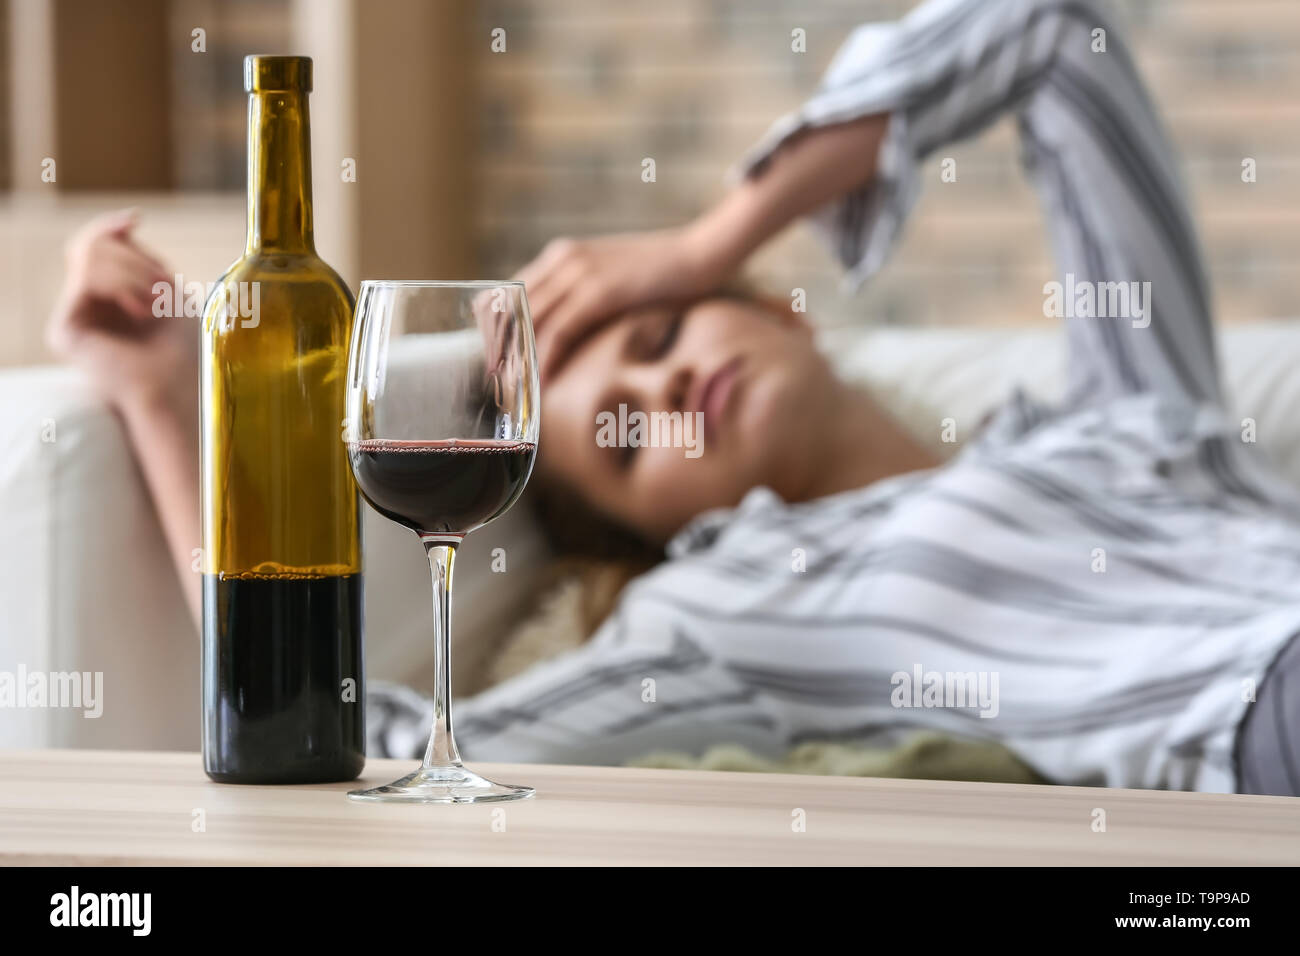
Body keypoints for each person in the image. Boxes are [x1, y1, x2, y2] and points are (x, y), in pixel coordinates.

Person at [48, 0, 1300, 795]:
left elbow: (1051, 30)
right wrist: (171, 400)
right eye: (621, 433)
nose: (663, 388)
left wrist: (709, 237)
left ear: (780, 308)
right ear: (632, 522)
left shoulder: (1121, 405)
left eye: (659, 328)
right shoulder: (723, 606)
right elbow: (361, 732)